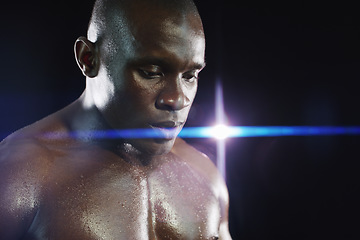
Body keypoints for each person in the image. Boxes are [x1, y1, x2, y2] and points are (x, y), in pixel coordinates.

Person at [0, 0, 231, 239]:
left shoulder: (204, 176)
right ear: (88, 58)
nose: (177, 99)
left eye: (190, 76)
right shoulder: (20, 177)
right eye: (151, 73)